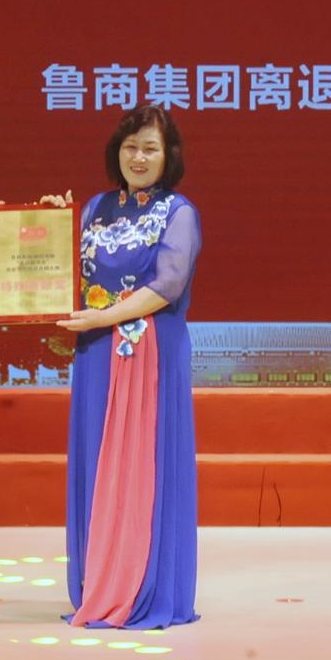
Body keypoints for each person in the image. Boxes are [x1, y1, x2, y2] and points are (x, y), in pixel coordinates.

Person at [46, 105, 201, 629]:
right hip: (95, 354)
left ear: (167, 156)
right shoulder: (95, 208)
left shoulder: (179, 212)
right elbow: (62, 270)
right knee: (98, 465)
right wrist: (52, 227)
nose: (138, 157)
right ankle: (98, 586)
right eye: (131, 147)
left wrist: (106, 317)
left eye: (150, 148)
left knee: (141, 468)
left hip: (149, 352)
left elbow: (167, 286)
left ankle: (141, 590)